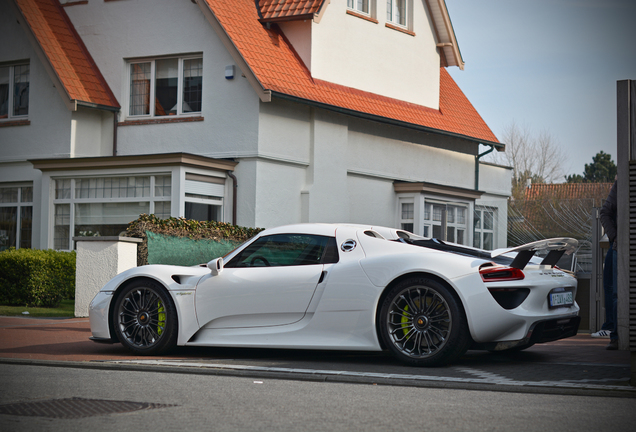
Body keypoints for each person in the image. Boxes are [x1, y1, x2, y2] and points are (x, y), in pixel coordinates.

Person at [599, 179, 618, 350]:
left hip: (617, 243)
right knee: (610, 286)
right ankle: (613, 330)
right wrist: (615, 237)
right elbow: (604, 213)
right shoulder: (620, 184)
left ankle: (612, 328)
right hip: (618, 244)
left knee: (613, 287)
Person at [590, 242, 614, 338]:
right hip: (617, 244)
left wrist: (614, 239)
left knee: (610, 287)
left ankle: (610, 327)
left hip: (615, 245)